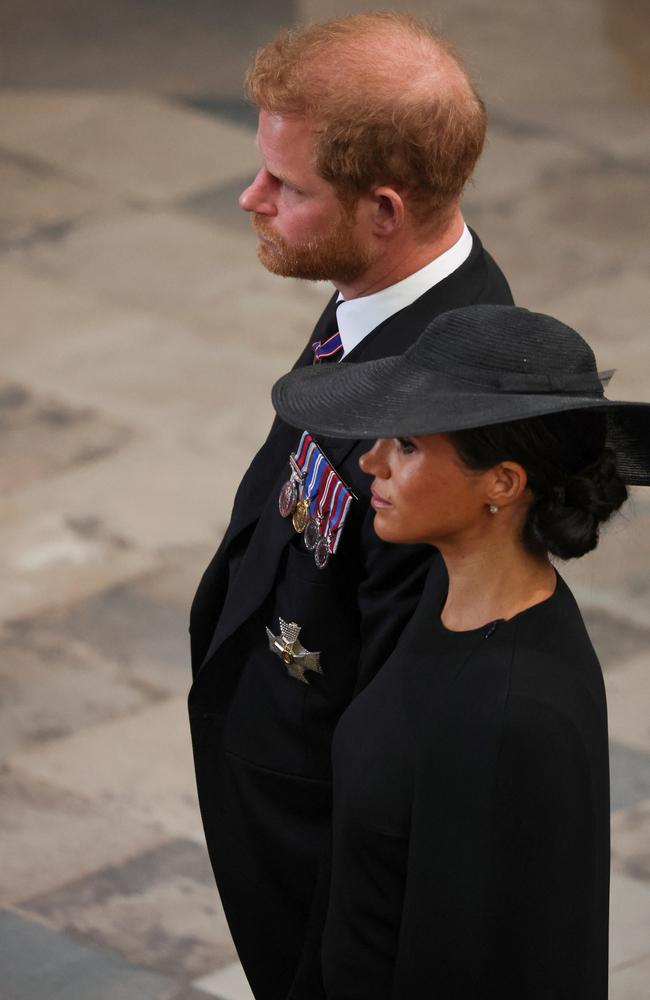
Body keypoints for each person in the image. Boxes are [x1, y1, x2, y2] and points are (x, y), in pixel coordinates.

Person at [189, 12, 513, 999]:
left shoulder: (446, 423)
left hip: (322, 860)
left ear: (382, 209)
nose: (250, 199)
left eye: (286, 187)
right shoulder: (380, 294)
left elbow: (410, 733)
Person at [271, 303, 650, 999]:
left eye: (409, 446)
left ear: (502, 484)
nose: (372, 461)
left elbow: (472, 967)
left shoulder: (510, 714)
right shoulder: (445, 601)